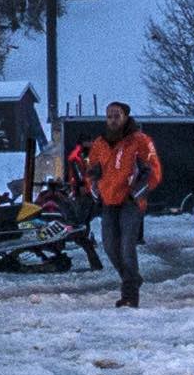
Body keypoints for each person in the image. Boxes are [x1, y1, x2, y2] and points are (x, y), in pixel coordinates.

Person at [65, 101, 164, 307]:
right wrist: (94, 188)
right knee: (110, 247)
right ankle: (132, 279)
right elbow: (92, 169)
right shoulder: (100, 143)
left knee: (127, 247)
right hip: (108, 201)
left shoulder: (140, 141)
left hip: (130, 201)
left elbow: (154, 172)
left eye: (116, 115)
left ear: (126, 116)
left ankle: (130, 294)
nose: (112, 119)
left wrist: (137, 192)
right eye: (109, 116)